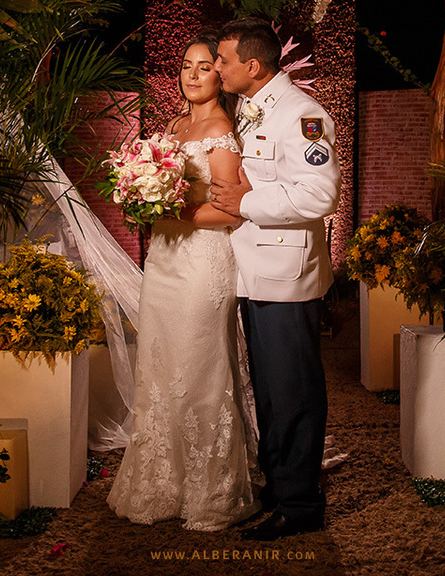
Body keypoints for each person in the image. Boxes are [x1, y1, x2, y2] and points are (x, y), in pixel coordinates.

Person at [106, 32, 261, 531]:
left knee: (199, 366)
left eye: (204, 67)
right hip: (165, 265)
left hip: (201, 266)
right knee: (160, 363)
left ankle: (212, 489)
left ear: (221, 76)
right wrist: (140, 200)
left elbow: (231, 212)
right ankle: (163, 481)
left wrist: (172, 211)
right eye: (186, 67)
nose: (193, 75)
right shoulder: (172, 126)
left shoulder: (220, 131)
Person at [210, 18, 340, 541]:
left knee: (294, 392)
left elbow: (318, 196)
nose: (217, 68)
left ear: (252, 66)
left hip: (286, 278)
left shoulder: (304, 115)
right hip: (255, 272)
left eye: (222, 59)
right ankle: (280, 482)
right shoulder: (253, 105)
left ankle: (301, 504)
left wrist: (245, 202)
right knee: (269, 390)